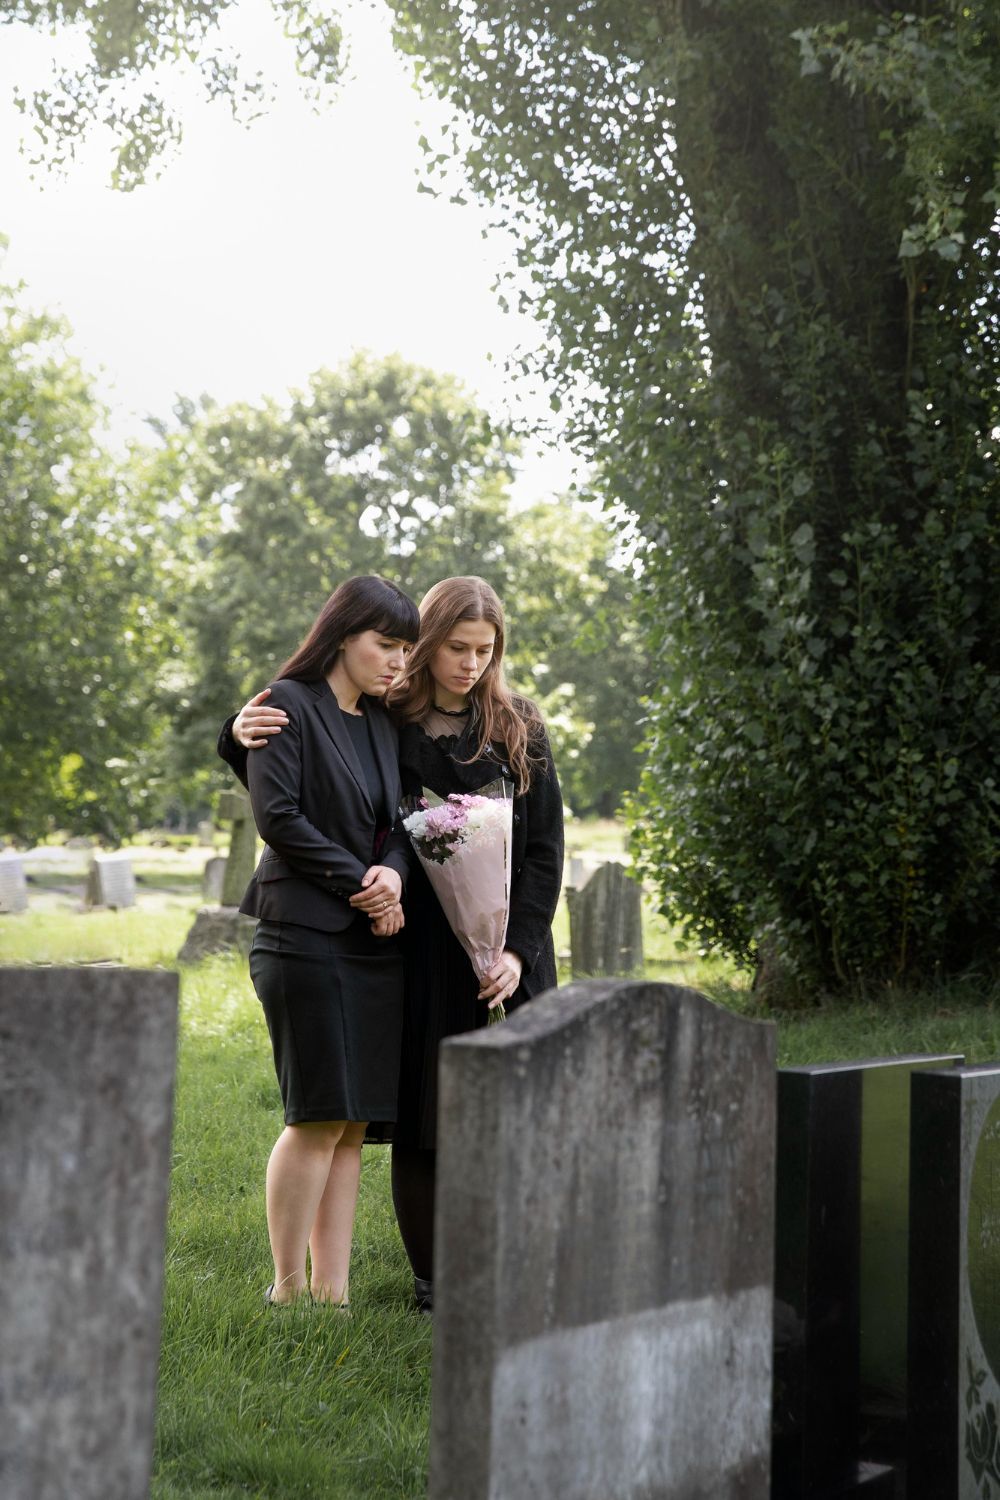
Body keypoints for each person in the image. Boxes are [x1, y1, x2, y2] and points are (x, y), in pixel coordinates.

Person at [220, 576, 564, 1313]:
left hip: (509, 949)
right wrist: (232, 730)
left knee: (523, 1113)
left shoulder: (518, 728)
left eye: (487, 650)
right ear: (426, 647)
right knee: (422, 1114)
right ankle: (431, 1280)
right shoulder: (392, 718)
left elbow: (543, 854)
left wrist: (517, 952)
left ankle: (527, 1260)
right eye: (455, 648)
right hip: (416, 946)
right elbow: (308, 752)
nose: (471, 663)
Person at [231, 574, 420, 1306]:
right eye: (387, 644)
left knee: (350, 1126)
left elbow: (399, 824)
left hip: (373, 943)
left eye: (407, 648)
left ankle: (331, 1296)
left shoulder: (381, 723)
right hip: (299, 933)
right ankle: (284, 1290)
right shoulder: (284, 706)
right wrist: (362, 884)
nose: (399, 661)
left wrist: (395, 879)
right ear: (344, 635)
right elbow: (277, 817)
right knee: (313, 1116)